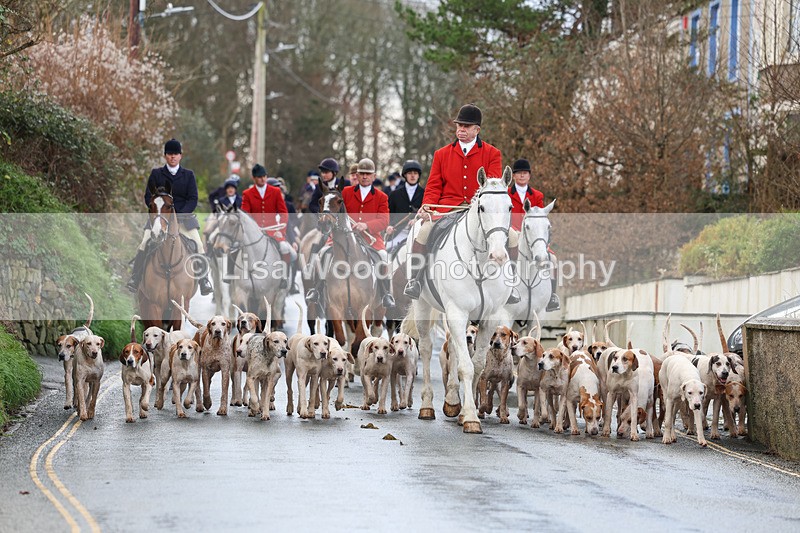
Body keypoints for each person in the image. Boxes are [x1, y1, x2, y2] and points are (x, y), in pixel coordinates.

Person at [403, 104, 519, 303]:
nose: (461, 130)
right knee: (423, 231)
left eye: (466, 126)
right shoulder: (441, 154)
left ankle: (511, 283)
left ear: (477, 129)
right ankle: (416, 280)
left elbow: (493, 187)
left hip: (480, 212)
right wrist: (428, 205)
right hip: (448, 209)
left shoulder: (492, 153)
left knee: (513, 236)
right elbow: (434, 186)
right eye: (459, 125)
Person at [305, 158, 395, 310]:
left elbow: (384, 220)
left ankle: (385, 293)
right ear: (356, 175)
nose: (364, 177)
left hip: (370, 239)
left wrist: (366, 225)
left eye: (368, 174)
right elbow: (334, 206)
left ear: (374, 176)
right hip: (343, 236)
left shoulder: (382, 197)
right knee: (323, 253)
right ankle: (317, 289)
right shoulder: (345, 192)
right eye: (361, 174)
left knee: (383, 257)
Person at [127, 138, 213, 295]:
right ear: (165, 155)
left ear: (180, 155)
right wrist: (158, 213)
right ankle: (135, 278)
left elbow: (193, 199)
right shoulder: (156, 174)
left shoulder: (188, 175)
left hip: (184, 220)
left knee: (199, 245)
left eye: (176, 153)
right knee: (144, 243)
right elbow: (148, 197)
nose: (173, 156)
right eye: (169, 153)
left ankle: (204, 281)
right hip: (159, 219)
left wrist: (178, 215)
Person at [508, 158, 559, 311]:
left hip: (533, 236)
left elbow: (540, 218)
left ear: (529, 175)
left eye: (525, 173)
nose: (522, 175)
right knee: (508, 247)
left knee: (553, 259)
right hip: (512, 232)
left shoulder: (537, 195)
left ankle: (552, 296)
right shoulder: (506, 194)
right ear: (514, 176)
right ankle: (509, 289)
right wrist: (514, 230)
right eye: (519, 173)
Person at [240, 164, 296, 288]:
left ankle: (284, 277)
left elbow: (283, 213)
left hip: (273, 231)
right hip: (254, 232)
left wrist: (280, 230)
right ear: (254, 178)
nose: (263, 179)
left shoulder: (275, 191)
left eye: (264, 176)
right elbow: (245, 215)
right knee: (238, 248)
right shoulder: (247, 193)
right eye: (259, 177)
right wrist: (251, 229)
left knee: (285, 248)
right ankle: (234, 276)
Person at [385, 160, 425, 249]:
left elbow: (427, 213)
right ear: (405, 175)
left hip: (418, 234)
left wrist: (417, 220)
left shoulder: (425, 194)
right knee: (386, 250)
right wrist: (389, 226)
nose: (413, 175)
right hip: (397, 232)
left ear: (418, 175)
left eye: (415, 173)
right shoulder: (394, 194)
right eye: (410, 173)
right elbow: (388, 214)